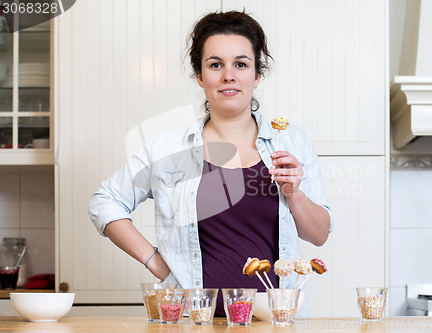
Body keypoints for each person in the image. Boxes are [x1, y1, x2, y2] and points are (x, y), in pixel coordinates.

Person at [89, 10, 332, 317]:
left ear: (257, 75)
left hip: (277, 319)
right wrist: (158, 264)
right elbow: (105, 202)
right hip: (193, 320)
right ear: (200, 77)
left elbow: (319, 235)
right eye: (216, 64)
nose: (228, 75)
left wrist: (294, 193)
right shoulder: (167, 149)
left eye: (241, 64)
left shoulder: (292, 144)